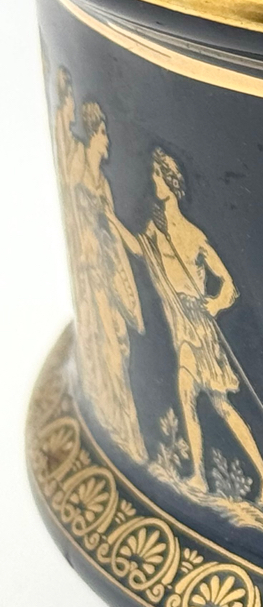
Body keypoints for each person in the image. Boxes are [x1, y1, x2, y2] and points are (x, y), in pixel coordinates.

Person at [137, 148, 263, 505]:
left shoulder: (193, 235)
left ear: (171, 182)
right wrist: (109, 218)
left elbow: (228, 285)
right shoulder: (155, 230)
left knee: (201, 397)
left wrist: (214, 304)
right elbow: (140, 251)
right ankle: (250, 478)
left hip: (197, 326)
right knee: (212, 403)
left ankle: (226, 476)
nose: (153, 181)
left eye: (158, 175)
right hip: (179, 321)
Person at [67, 100, 149, 462]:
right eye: (103, 133)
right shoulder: (79, 171)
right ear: (93, 133)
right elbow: (81, 222)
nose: (108, 141)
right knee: (110, 349)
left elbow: (113, 232)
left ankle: (124, 428)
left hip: (108, 273)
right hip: (92, 274)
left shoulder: (102, 181)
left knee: (120, 344)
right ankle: (118, 426)